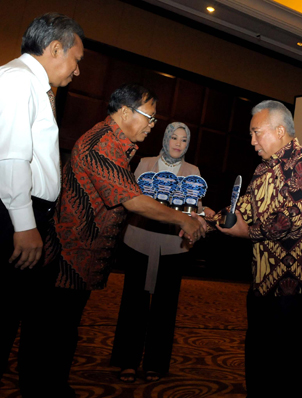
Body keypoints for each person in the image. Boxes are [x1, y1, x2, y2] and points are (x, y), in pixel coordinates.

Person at [42, 84, 206, 397]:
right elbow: (133, 201)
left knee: (62, 331)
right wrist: (184, 219)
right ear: (126, 112)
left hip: (81, 255)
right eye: (151, 117)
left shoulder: (117, 146)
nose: (152, 125)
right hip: (70, 253)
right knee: (56, 332)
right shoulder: (103, 145)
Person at [213, 100, 302, 398]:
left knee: (289, 369)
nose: (251, 141)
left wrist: (245, 232)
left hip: (295, 290)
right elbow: (245, 210)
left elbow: (289, 219)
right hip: (263, 283)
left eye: (256, 133)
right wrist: (210, 218)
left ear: (279, 131)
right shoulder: (263, 169)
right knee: (260, 364)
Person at [0, 12, 84, 396]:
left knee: (22, 316)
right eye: (76, 59)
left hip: (31, 215)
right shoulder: (18, 81)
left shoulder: (33, 85)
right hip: (18, 216)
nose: (77, 71)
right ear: (54, 49)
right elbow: (11, 159)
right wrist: (24, 224)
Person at [110, 122, 214, 382]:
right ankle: (128, 362)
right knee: (133, 303)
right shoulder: (145, 163)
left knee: (165, 307)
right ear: (165, 139)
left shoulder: (193, 171)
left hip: (173, 247)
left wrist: (203, 214)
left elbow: (194, 210)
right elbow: (130, 201)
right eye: (174, 138)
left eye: (183, 140)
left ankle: (156, 363)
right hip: (139, 240)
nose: (178, 143)